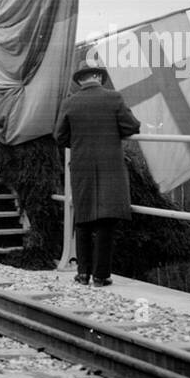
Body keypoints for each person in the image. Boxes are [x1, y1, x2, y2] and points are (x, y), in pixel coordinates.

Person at [53, 63, 142, 286]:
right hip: (110, 166)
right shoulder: (114, 98)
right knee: (106, 221)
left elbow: (60, 137)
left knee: (83, 219)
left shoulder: (70, 102)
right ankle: (101, 276)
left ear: (80, 81)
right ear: (98, 78)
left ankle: (83, 274)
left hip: (82, 166)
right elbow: (131, 126)